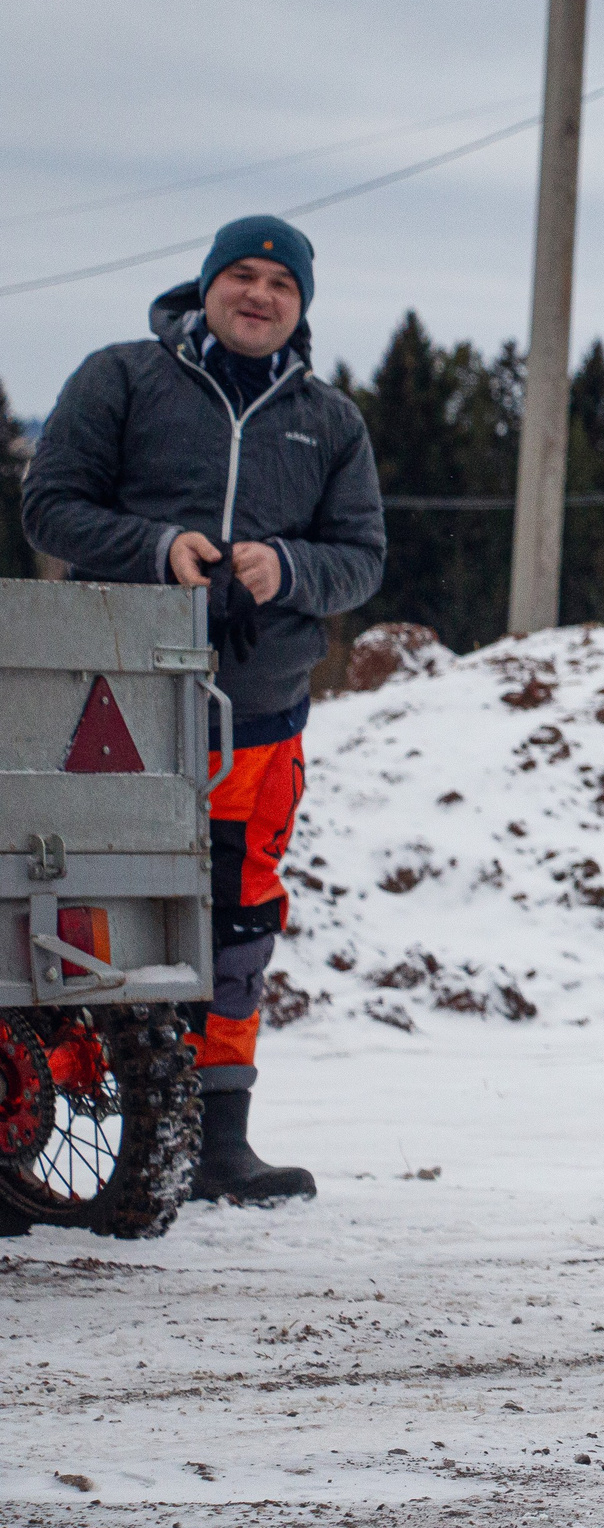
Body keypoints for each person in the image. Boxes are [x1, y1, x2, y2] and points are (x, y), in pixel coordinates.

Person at [23, 216, 385, 1205]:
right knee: (77, 904)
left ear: (301, 305)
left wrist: (292, 567)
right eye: (241, 275)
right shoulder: (122, 378)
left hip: (255, 715)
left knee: (237, 918)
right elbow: (49, 503)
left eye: (281, 282)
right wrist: (158, 547)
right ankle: (45, 1110)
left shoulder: (331, 421)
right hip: (109, 702)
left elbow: (362, 559)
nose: (259, 294)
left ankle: (217, 1135)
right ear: (206, 286)